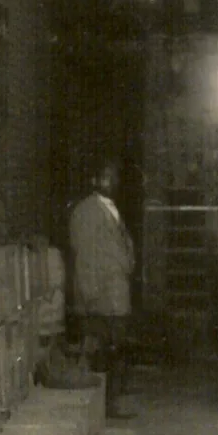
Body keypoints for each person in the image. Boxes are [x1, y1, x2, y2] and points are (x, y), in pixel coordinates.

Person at [69, 160, 136, 418]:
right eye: (107, 177)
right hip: (102, 296)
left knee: (115, 348)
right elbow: (84, 256)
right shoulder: (87, 211)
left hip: (116, 293)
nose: (113, 182)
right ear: (95, 181)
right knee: (102, 351)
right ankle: (102, 407)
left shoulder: (109, 208)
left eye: (115, 177)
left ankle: (110, 403)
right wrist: (90, 296)